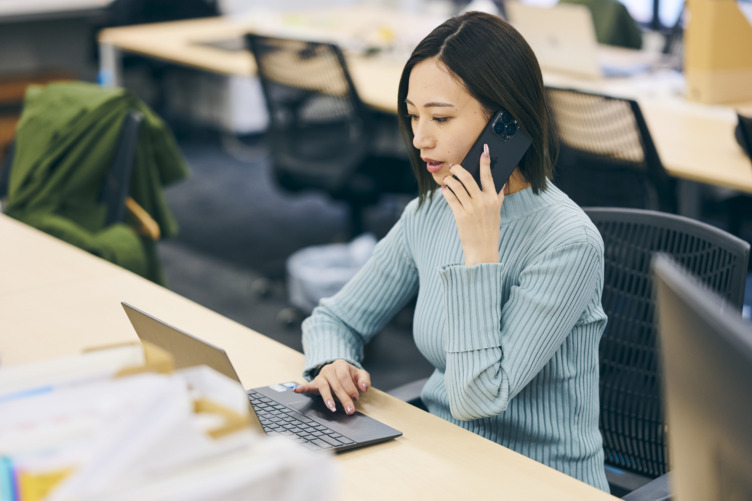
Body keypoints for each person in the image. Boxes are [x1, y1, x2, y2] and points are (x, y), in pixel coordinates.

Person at [293, 11, 609, 491]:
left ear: (507, 123)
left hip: (540, 482)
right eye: (413, 115)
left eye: (440, 118)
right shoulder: (431, 212)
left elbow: (477, 397)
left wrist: (480, 251)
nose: (420, 138)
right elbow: (333, 319)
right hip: (445, 457)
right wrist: (333, 363)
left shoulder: (568, 243)